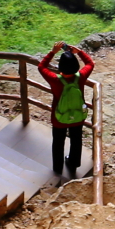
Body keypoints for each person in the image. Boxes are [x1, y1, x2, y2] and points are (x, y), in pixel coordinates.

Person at [37, 43, 95, 175]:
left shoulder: (54, 80)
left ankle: (57, 168)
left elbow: (41, 67)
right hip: (78, 116)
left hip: (59, 118)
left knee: (58, 142)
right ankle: (73, 163)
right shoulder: (80, 77)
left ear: (59, 67)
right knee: (76, 139)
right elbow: (90, 63)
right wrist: (79, 52)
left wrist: (53, 52)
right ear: (76, 67)